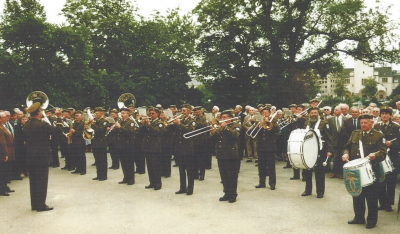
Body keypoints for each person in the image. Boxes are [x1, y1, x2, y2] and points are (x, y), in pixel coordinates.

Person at [342, 114, 386, 229]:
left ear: (371, 123)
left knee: (371, 197)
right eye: (361, 123)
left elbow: (383, 153)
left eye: (365, 123)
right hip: (356, 169)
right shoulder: (355, 133)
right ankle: (359, 217)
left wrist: (375, 155)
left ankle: (371, 220)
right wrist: (345, 153)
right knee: (357, 194)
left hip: (371, 169)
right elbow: (347, 145)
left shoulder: (378, 135)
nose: (363, 125)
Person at [24, 99, 62, 211]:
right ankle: (41, 205)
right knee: (41, 180)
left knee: (34, 181)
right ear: (39, 113)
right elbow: (58, 131)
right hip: (41, 156)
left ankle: (34, 204)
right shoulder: (42, 125)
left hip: (31, 155)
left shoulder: (27, 124)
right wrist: (59, 117)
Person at [373, 107, 400, 212]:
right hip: (380, 156)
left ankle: (389, 203)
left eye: (386, 114)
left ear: (390, 115)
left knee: (390, 181)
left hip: (392, 157)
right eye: (382, 113)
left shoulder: (395, 127)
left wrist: (392, 143)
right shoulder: (376, 126)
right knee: (380, 180)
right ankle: (382, 203)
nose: (384, 115)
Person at [210, 110, 240, 203]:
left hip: (231, 155)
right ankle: (226, 193)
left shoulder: (236, 125)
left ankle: (233, 194)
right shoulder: (220, 128)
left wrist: (226, 127)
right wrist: (212, 132)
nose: (222, 119)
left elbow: (235, 136)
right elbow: (214, 140)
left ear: (230, 118)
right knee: (224, 176)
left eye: (225, 117)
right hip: (221, 155)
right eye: (222, 117)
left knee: (232, 176)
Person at [301, 106, 330, 198]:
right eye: (312, 113)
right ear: (309, 114)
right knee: (307, 171)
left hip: (320, 151)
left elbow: (329, 138)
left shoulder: (323, 123)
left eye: (315, 113)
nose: (313, 115)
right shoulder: (306, 123)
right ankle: (308, 190)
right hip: (308, 150)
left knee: (319, 172)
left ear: (318, 114)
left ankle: (320, 191)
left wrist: (329, 150)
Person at [168, 104, 195, 195]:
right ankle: (182, 187)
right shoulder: (182, 119)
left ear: (189, 111)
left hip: (187, 148)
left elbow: (190, 131)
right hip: (179, 148)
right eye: (182, 111)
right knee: (181, 169)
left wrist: (179, 124)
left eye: (184, 111)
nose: (182, 112)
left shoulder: (192, 120)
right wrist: (172, 122)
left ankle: (190, 188)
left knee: (189, 169)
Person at [141, 107, 165, 189]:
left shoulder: (160, 123)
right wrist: (143, 125)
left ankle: (158, 183)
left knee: (156, 166)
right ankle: (152, 182)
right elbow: (141, 133)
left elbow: (156, 133)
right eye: (150, 113)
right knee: (150, 166)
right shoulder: (149, 122)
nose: (151, 115)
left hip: (155, 147)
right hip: (147, 147)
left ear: (157, 114)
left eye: (153, 113)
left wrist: (149, 125)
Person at [255, 107, 279, 190]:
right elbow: (254, 133)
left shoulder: (274, 120)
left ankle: (272, 183)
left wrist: (269, 122)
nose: (264, 114)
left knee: (271, 166)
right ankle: (262, 182)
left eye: (266, 112)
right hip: (261, 146)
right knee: (261, 166)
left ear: (269, 113)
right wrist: (258, 126)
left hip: (270, 147)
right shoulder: (259, 121)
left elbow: (277, 129)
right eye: (263, 113)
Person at [113, 107, 136, 186]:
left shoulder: (131, 122)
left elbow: (129, 132)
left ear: (128, 114)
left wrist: (119, 127)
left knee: (129, 163)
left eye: (123, 113)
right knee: (123, 163)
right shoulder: (120, 121)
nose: (121, 115)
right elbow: (118, 133)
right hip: (120, 145)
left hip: (128, 145)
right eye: (121, 113)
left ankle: (131, 179)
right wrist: (114, 128)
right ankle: (125, 178)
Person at [326, 106, 345, 179]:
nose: (335, 111)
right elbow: (329, 131)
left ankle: (341, 173)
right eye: (334, 110)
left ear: (341, 111)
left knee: (341, 158)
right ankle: (334, 172)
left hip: (342, 142)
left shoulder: (345, 119)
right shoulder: (330, 119)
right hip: (334, 141)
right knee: (335, 158)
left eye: (336, 110)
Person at [89, 107, 108, 181]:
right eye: (95, 113)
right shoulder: (96, 121)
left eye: (97, 113)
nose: (95, 115)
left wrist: (92, 124)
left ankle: (103, 176)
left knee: (102, 160)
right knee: (97, 160)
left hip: (101, 142)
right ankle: (98, 175)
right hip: (95, 142)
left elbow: (100, 130)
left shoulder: (105, 121)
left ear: (102, 113)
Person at [0, 111, 15, 196]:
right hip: (3, 153)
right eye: (4, 117)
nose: (6, 118)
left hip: (6, 151)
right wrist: (5, 154)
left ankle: (5, 187)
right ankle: (2, 189)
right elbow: (2, 142)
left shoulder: (2, 126)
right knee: (2, 172)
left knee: (5, 171)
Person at [191, 106, 208, 181]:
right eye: (195, 112)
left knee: (201, 159)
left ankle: (202, 174)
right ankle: (195, 174)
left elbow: (205, 126)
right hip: (193, 141)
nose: (196, 113)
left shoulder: (204, 118)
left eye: (197, 112)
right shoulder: (193, 118)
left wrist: (195, 122)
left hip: (201, 141)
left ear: (200, 112)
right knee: (194, 159)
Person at [69, 111, 86, 175]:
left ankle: (83, 170)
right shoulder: (75, 123)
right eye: (75, 116)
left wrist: (75, 131)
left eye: (77, 116)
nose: (76, 117)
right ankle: (78, 168)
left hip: (80, 141)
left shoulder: (83, 123)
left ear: (81, 116)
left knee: (81, 156)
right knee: (75, 156)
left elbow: (83, 133)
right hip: (74, 141)